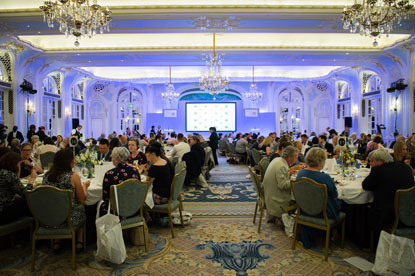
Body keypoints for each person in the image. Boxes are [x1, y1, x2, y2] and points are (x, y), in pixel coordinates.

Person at [42, 148, 90, 252]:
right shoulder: (73, 177)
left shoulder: (46, 176)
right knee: (81, 206)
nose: (75, 160)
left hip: (48, 217)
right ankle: (79, 242)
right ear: (69, 161)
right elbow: (82, 199)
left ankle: (57, 241)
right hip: (69, 218)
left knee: (58, 205)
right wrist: (85, 187)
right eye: (73, 158)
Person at [362, 149, 415, 244]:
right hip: (410, 213)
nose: (370, 163)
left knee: (366, 209)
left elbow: (365, 185)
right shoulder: (405, 167)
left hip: (388, 216)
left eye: (372, 161)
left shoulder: (378, 170)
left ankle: (366, 243)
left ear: (380, 161)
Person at [296, 147, 342, 248]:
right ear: (321, 161)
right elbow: (335, 196)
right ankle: (337, 235)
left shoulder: (300, 173)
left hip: (304, 209)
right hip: (322, 213)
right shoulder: (325, 177)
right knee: (343, 203)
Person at [99, 147, 140, 216]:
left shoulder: (109, 174)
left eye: (113, 157)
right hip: (133, 208)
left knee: (99, 204)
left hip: (116, 211)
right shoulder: (135, 171)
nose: (112, 159)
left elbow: (106, 197)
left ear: (117, 159)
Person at [263, 146, 299, 223]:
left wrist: (288, 173)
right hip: (276, 200)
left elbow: (279, 177)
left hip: (270, 194)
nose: (296, 160)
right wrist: (296, 180)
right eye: (295, 157)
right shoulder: (282, 165)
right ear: (289, 157)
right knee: (300, 200)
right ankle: (293, 223)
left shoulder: (277, 160)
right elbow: (283, 185)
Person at [0, 152, 37, 224]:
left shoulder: (2, 172)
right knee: (31, 203)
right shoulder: (10, 175)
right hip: (2, 213)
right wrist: (32, 179)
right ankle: (36, 227)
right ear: (14, 164)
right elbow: (27, 194)